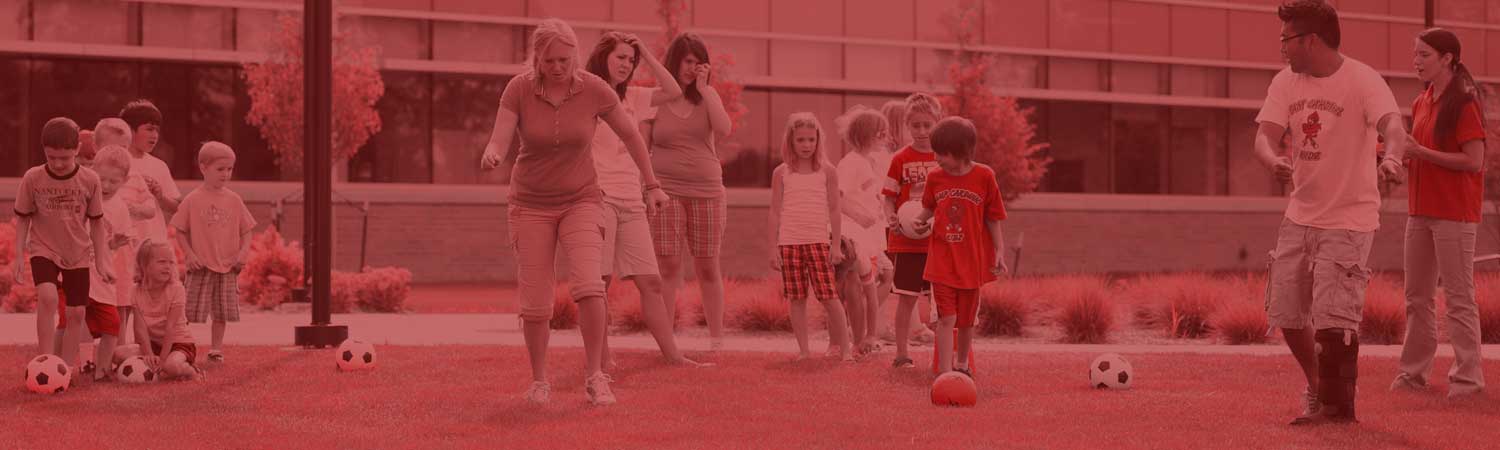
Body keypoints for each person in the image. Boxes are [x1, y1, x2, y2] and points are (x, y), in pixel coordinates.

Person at [479, 18, 670, 406]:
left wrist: (652, 183)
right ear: (537, 59)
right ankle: (539, 381)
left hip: (581, 199)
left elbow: (631, 134)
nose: (558, 68)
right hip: (530, 203)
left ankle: (596, 376)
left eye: (565, 60)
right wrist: (493, 152)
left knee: (588, 285)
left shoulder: (594, 89)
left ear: (575, 57)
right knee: (535, 302)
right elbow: (500, 135)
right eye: (550, 61)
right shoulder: (519, 89)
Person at [1255, 0, 1411, 425]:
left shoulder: (1362, 80)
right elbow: (1264, 137)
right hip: (1299, 217)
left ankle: (1337, 409)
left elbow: (1393, 127)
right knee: (1286, 314)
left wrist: (1392, 160)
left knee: (1333, 320)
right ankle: (1320, 388)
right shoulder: (1286, 82)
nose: (1282, 48)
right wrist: (1273, 162)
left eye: (1286, 39)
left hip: (1348, 219)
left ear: (1310, 40)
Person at [583, 30, 704, 368]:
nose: (626, 64)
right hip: (598, 198)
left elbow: (674, 90)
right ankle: (601, 359)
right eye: (621, 57)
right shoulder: (587, 95)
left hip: (632, 201)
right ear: (603, 56)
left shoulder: (633, 97)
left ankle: (674, 357)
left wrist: (647, 54)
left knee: (650, 281)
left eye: (630, 60)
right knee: (599, 285)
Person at [1390, 27, 1487, 400]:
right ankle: (1412, 375)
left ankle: (1468, 380)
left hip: (1454, 215)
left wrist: (1421, 153)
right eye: (1414, 54)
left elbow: (1474, 161)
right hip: (1420, 213)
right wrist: (1393, 154)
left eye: (1424, 55)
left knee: (1459, 298)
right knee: (1417, 297)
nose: (1416, 62)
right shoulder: (1422, 101)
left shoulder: (1464, 102)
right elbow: (1418, 154)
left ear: (1447, 58)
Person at [642, 32, 734, 350]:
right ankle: (667, 340)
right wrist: (647, 186)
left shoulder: (708, 97)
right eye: (687, 61)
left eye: (698, 63)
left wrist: (706, 90)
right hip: (665, 192)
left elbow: (724, 129)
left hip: (707, 190)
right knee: (667, 265)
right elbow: (641, 144)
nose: (692, 68)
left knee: (707, 266)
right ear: (675, 61)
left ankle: (716, 339)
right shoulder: (657, 99)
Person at [910, 117, 1007, 377]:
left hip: (972, 262)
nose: (936, 157)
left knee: (965, 322)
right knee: (945, 318)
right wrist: (918, 222)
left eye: (942, 153)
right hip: (942, 260)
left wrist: (999, 251)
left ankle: (962, 366)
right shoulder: (935, 178)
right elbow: (929, 208)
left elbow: (993, 217)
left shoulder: (985, 176)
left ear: (961, 152)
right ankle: (944, 373)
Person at [768, 113, 852, 361]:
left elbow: (835, 209)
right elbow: (774, 210)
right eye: (801, 140)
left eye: (811, 140)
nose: (806, 145)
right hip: (789, 243)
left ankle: (846, 350)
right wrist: (772, 249)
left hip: (818, 241)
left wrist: (835, 245)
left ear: (818, 141)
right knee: (796, 299)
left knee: (829, 297)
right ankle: (804, 351)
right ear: (791, 142)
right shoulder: (781, 173)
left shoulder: (827, 171)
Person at [172, 142, 256, 364]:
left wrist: (243, 253)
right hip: (200, 265)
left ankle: (216, 349)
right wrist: (189, 255)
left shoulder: (234, 200)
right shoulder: (193, 199)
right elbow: (179, 230)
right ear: (203, 168)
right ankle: (181, 346)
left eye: (229, 169)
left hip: (227, 266)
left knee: (222, 312)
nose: (226, 174)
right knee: (188, 311)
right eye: (220, 169)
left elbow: (247, 231)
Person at [881, 93, 944, 369]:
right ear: (907, 125)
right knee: (906, 299)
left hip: (938, 242)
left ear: (937, 123)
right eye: (915, 125)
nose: (921, 131)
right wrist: (891, 217)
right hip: (906, 243)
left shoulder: (944, 158)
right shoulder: (899, 159)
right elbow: (887, 197)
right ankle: (901, 354)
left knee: (940, 301)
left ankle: (943, 356)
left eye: (926, 125)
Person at [834, 105, 893, 355]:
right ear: (864, 134)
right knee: (856, 285)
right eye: (880, 134)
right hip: (853, 235)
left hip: (870, 235)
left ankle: (863, 336)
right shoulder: (851, 163)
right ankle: (860, 340)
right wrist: (861, 216)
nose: (885, 138)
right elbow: (836, 197)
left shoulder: (868, 162)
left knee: (884, 276)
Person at [131, 240, 204, 381]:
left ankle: (191, 371)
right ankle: (164, 368)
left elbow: (170, 327)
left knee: (171, 367)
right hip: (154, 344)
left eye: (171, 262)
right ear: (144, 265)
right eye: (162, 262)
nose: (167, 267)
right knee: (118, 354)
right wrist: (149, 354)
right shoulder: (136, 291)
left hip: (179, 343)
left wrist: (163, 359)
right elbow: (140, 328)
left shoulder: (176, 289)